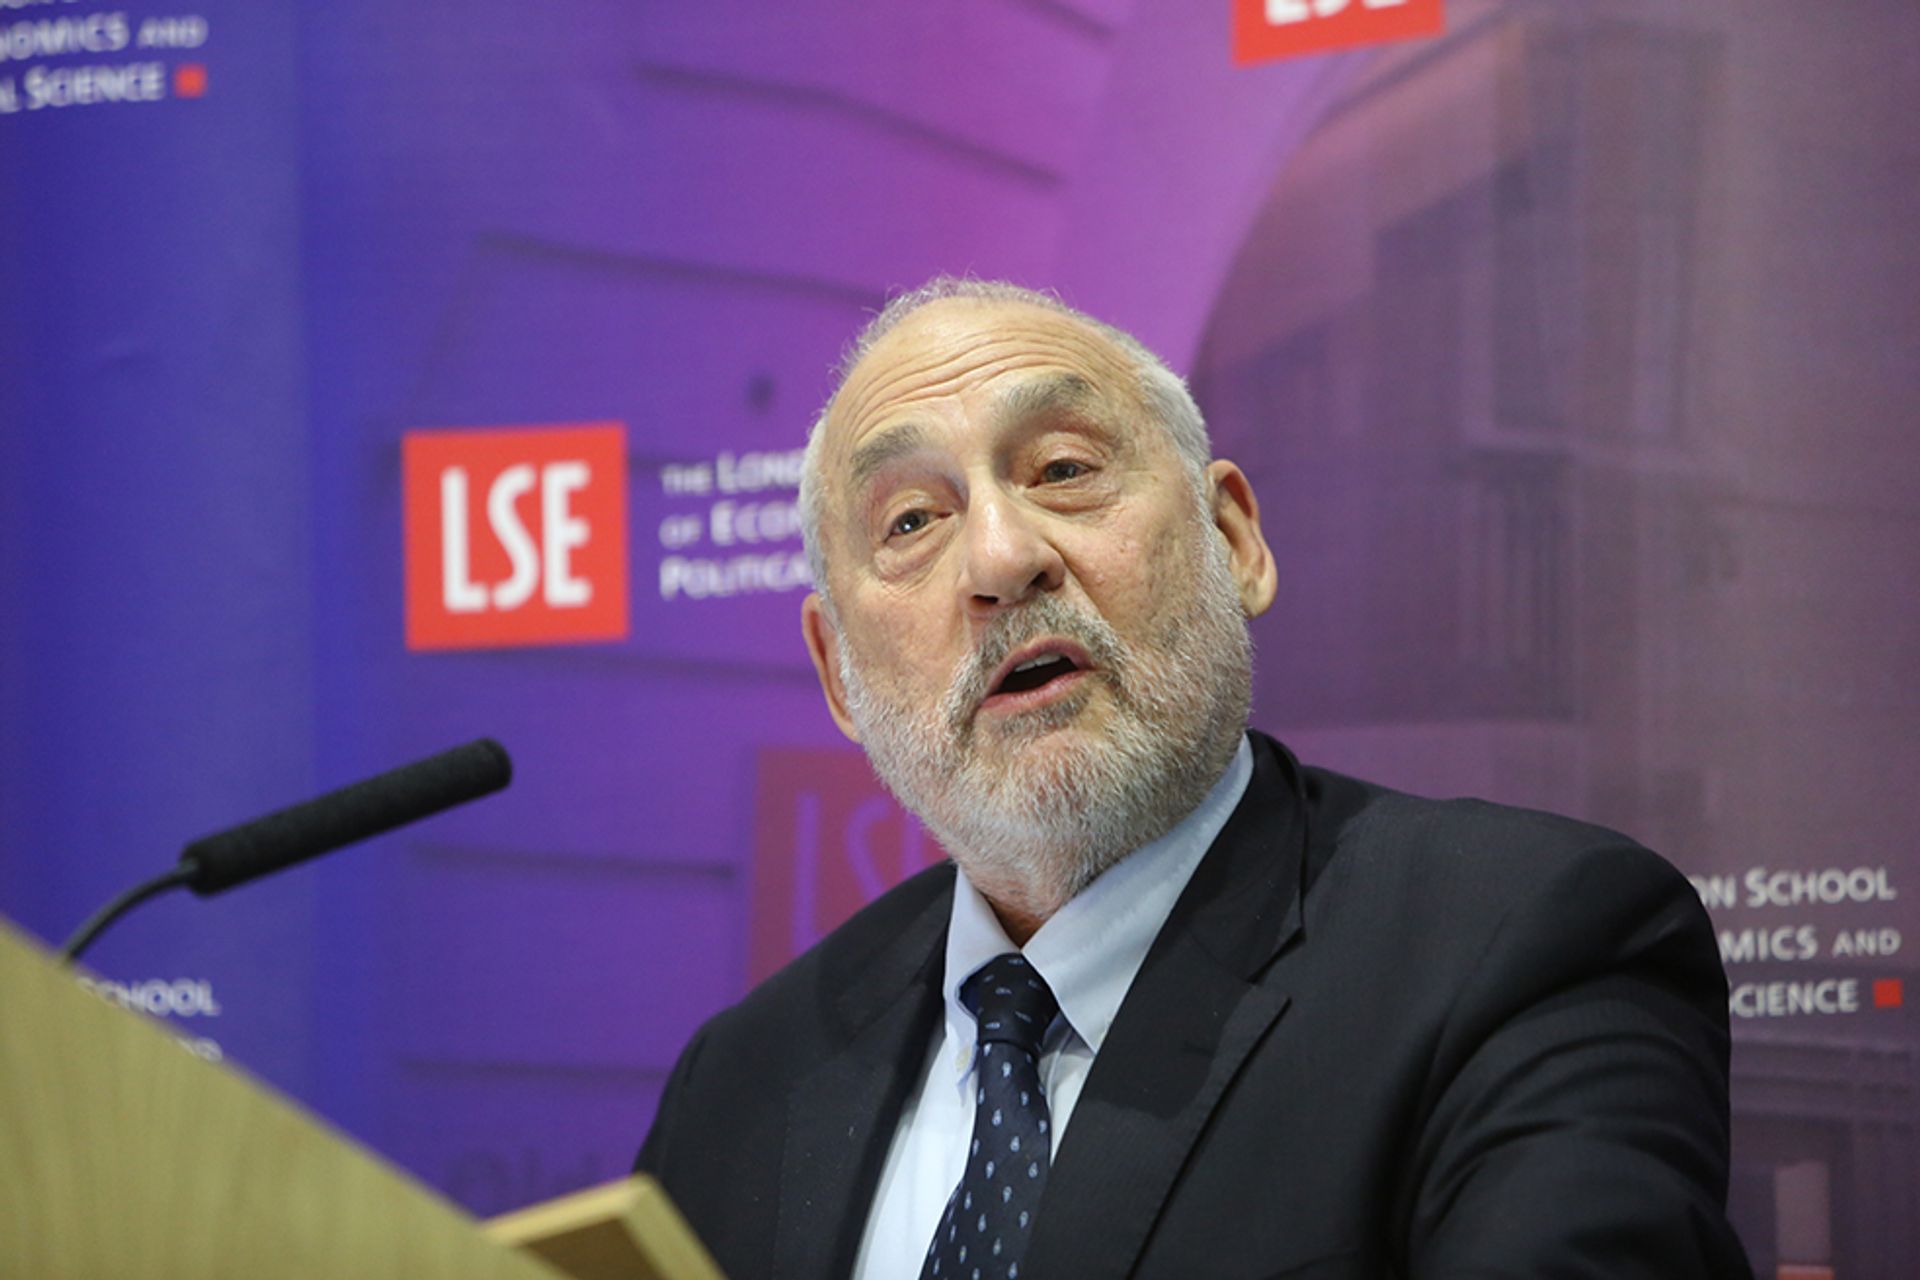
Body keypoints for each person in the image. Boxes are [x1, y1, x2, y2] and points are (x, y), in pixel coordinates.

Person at [636, 278, 1752, 1279]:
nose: (999, 559)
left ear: (1233, 539)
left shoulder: (1524, 945)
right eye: (913, 520)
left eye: (1064, 469)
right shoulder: (741, 1084)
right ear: (837, 672)